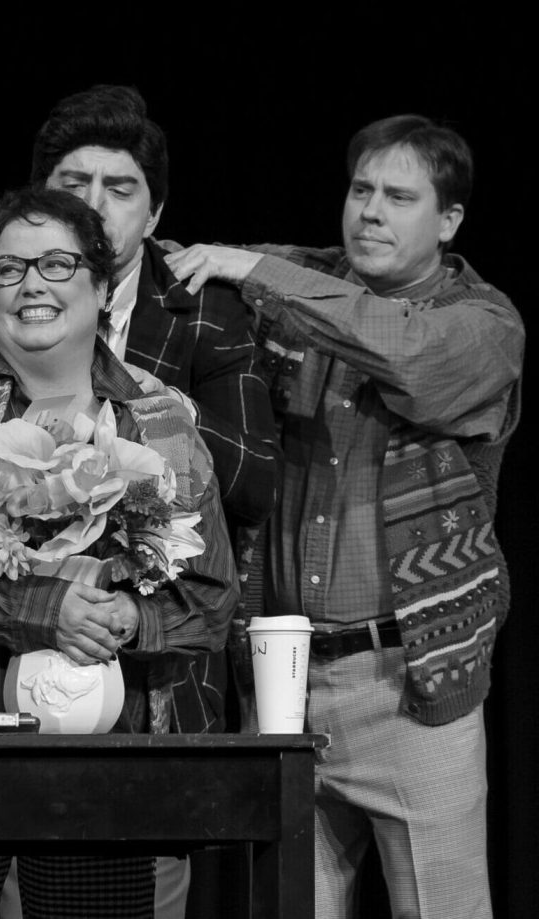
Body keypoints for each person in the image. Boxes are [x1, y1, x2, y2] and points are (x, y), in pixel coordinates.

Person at [163, 114, 524, 918]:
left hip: (413, 682)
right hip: (283, 679)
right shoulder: (296, 281)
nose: (371, 211)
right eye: (362, 189)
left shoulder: (485, 324)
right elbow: (147, 268)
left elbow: (408, 355)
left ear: (449, 220)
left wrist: (257, 270)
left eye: (400, 197)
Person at [0, 186, 239, 918]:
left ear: (103, 287)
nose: (31, 283)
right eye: (8, 269)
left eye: (58, 264)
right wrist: (48, 612)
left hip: (103, 767)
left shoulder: (160, 419)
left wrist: (123, 620)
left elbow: (210, 589)